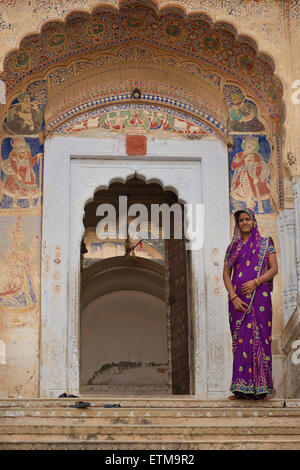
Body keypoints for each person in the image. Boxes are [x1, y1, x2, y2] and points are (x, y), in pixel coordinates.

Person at [223, 208, 278, 400]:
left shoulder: (265, 243)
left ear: (253, 221)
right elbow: (225, 275)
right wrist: (234, 297)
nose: (244, 222)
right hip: (238, 302)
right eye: (241, 220)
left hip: (260, 297)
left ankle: (262, 388)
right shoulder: (233, 248)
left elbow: (274, 269)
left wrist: (256, 282)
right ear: (237, 224)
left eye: (247, 219)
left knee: (261, 338)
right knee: (240, 341)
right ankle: (240, 388)